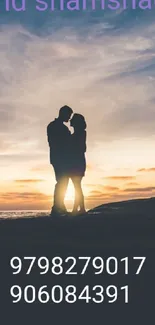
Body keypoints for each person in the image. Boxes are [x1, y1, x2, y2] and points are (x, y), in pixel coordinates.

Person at [47, 105, 73, 216]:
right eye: (69, 115)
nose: (69, 118)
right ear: (63, 114)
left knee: (62, 182)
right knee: (62, 182)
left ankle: (59, 206)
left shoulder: (53, 126)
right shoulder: (59, 127)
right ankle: (57, 207)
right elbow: (62, 143)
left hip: (57, 157)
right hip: (60, 158)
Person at [70, 113, 87, 215]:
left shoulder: (80, 133)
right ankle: (79, 208)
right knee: (77, 186)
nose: (70, 121)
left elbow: (83, 148)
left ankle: (78, 209)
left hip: (77, 163)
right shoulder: (79, 133)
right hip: (77, 162)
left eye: (72, 119)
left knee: (77, 186)